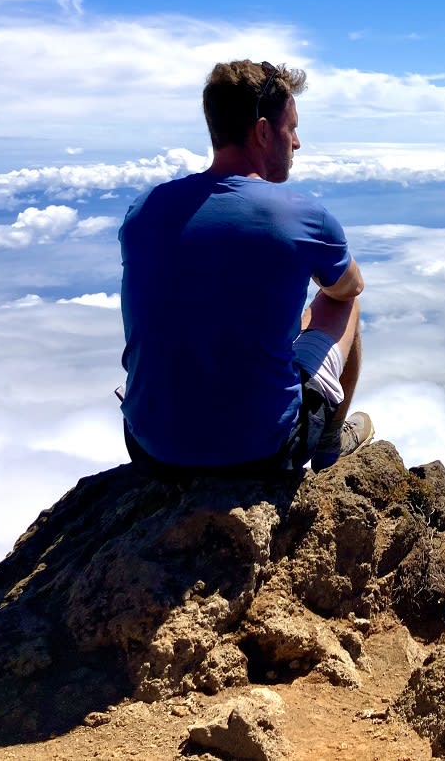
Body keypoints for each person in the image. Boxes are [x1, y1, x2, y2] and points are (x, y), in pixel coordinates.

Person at [118, 59, 373, 477]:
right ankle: (328, 444)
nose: (297, 143)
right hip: (262, 452)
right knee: (341, 303)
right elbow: (351, 287)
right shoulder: (302, 215)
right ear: (262, 131)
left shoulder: (144, 210)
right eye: (291, 129)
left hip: (149, 448)